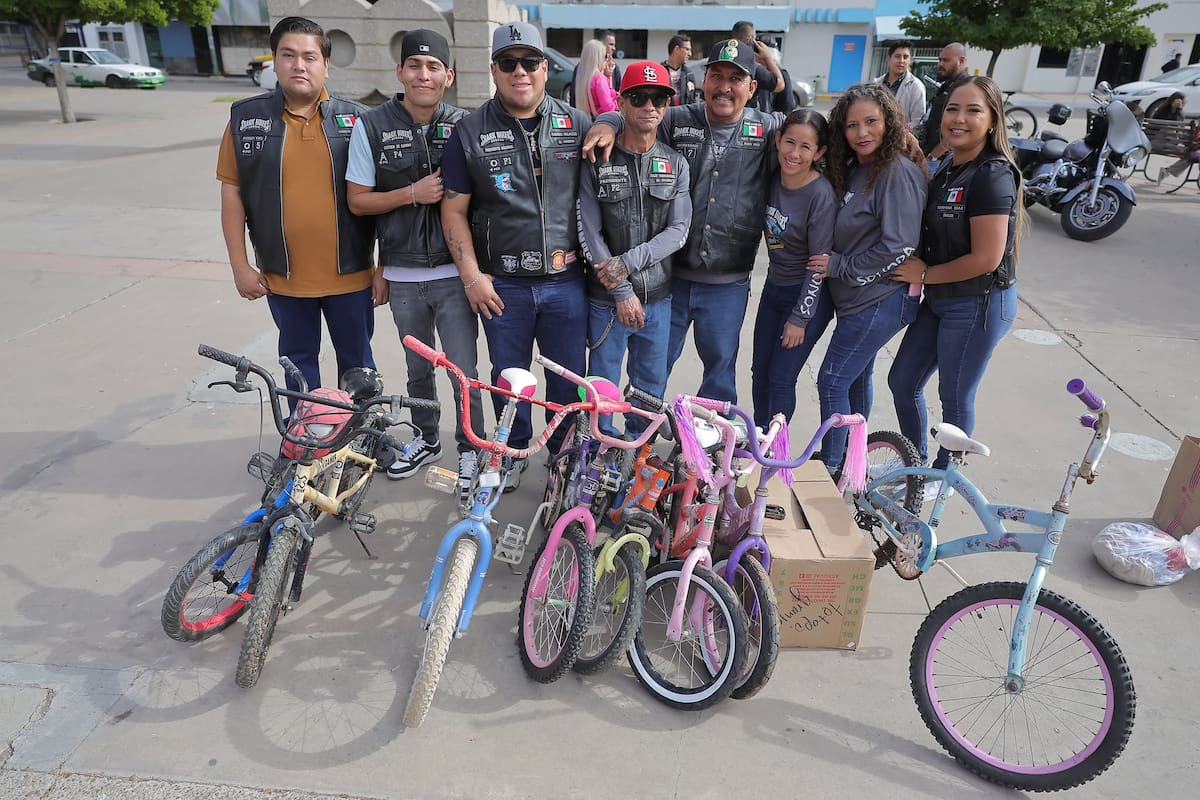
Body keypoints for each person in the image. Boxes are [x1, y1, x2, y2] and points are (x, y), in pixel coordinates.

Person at [585, 38, 782, 404]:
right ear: (704, 80)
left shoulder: (769, 129)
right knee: (652, 372)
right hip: (672, 278)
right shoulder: (678, 118)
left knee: (720, 372)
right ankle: (638, 434)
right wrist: (607, 122)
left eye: (735, 79)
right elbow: (638, 112)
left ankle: (712, 436)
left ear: (752, 88)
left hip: (727, 282)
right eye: (717, 76)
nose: (724, 87)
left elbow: (811, 132)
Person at [439, 21, 590, 490]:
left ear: (545, 68)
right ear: (494, 70)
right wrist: (471, 276)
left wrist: (607, 122)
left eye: (529, 62)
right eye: (508, 63)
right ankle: (511, 450)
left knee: (568, 381)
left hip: (566, 280)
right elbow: (453, 210)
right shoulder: (469, 133)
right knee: (509, 379)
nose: (519, 72)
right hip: (502, 284)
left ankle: (564, 456)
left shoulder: (577, 123)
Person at [216, 16, 379, 413]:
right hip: (283, 278)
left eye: (309, 57)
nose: (299, 65)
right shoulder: (245, 120)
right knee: (298, 367)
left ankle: (359, 435)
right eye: (288, 55)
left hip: (352, 276)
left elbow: (381, 199)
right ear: (274, 60)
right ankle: (303, 436)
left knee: (358, 369)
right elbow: (232, 194)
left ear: (326, 65)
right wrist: (240, 266)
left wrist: (385, 266)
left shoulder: (359, 121)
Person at [346, 29, 485, 489]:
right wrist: (411, 194)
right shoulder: (371, 126)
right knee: (417, 370)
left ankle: (471, 448)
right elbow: (358, 201)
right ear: (400, 72)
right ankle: (426, 439)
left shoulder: (467, 124)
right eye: (414, 66)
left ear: (449, 75)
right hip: (402, 276)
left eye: (433, 67)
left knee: (464, 371)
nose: (423, 75)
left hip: (454, 274)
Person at [887, 76, 1023, 487]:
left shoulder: (993, 175)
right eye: (952, 109)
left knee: (955, 397)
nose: (959, 118)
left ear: (993, 119)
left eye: (973, 110)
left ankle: (941, 481)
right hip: (941, 297)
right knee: (903, 381)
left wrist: (925, 274)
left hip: (978, 301)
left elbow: (986, 259)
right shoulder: (949, 165)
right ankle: (917, 467)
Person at [807, 83, 927, 473]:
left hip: (879, 301)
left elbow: (899, 245)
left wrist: (839, 266)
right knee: (855, 380)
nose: (862, 133)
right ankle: (851, 464)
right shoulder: (859, 169)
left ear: (889, 122)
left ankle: (832, 467)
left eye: (871, 122)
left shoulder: (896, 172)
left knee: (831, 380)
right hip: (858, 300)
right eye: (852, 125)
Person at [576, 61, 692, 434]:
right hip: (606, 300)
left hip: (658, 298)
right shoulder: (596, 160)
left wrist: (627, 264)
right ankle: (600, 453)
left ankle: (638, 455)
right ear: (622, 102)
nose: (649, 106)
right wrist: (621, 290)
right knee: (602, 388)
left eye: (659, 98)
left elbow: (679, 230)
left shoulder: (676, 163)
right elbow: (588, 231)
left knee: (649, 389)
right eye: (639, 97)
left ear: (668, 104)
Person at [750, 108, 836, 429]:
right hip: (774, 288)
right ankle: (760, 442)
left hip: (806, 296)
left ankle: (777, 449)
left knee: (781, 378)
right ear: (778, 140)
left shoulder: (820, 194)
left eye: (805, 147)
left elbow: (817, 265)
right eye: (789, 142)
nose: (794, 153)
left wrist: (800, 318)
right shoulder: (773, 178)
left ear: (819, 152)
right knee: (760, 372)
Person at [920, 42, 969, 160]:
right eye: (940, 60)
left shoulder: (965, 88)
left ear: (961, 61)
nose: (940, 64)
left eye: (946, 60)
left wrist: (932, 157)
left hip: (944, 160)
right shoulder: (947, 85)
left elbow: (957, 130)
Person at [732, 20, 785, 113]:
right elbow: (779, 85)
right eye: (754, 38)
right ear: (750, 38)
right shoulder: (753, 66)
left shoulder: (725, 59)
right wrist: (768, 58)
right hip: (745, 116)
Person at [873, 40, 925, 127]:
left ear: (910, 60)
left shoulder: (916, 86)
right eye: (897, 56)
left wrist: (899, 132)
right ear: (888, 59)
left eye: (905, 57)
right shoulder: (876, 84)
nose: (901, 61)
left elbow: (918, 121)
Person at [1154, 93, 1200, 184]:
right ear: (1172, 100)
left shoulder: (1180, 113)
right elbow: (1165, 125)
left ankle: (1167, 172)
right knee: (1169, 128)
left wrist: (1178, 109)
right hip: (1160, 142)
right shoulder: (1163, 111)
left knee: (1190, 155)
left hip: (1174, 144)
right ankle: (1167, 171)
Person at [574, 39, 618, 118]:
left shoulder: (582, 77)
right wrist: (620, 104)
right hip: (602, 121)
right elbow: (609, 109)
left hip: (586, 120)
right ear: (598, 58)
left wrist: (608, 76)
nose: (607, 60)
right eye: (605, 56)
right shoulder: (599, 79)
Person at [662, 33, 698, 105]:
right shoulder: (660, 72)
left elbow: (693, 102)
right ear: (677, 49)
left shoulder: (689, 74)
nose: (690, 54)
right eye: (687, 49)